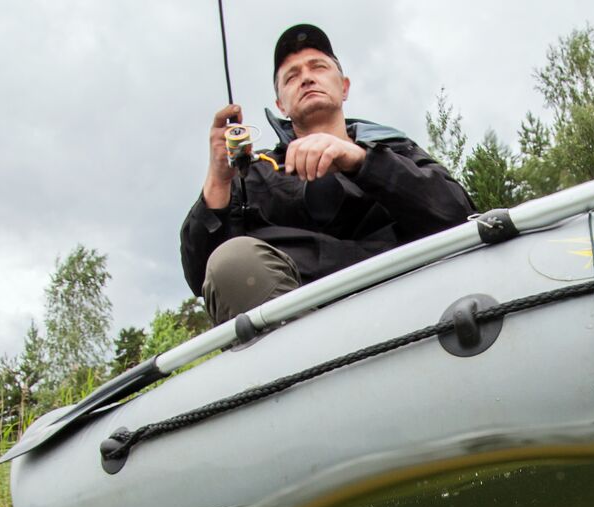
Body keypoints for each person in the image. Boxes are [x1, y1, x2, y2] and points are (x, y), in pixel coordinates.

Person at [181, 24, 474, 325]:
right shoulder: (252, 176)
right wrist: (218, 179)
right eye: (291, 76)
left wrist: (361, 161)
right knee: (233, 260)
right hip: (300, 332)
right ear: (281, 105)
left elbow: (457, 214)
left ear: (344, 87)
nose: (306, 77)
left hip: (411, 309)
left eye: (318, 67)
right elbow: (203, 275)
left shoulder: (394, 150)